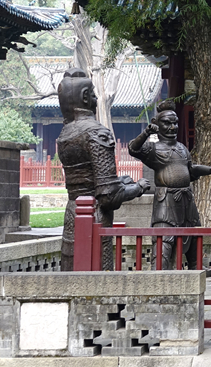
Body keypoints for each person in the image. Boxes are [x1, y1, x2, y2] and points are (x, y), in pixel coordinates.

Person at [56, 69, 150, 271]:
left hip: (72, 213)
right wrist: (138, 187)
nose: (96, 98)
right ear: (85, 97)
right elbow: (108, 196)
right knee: (98, 273)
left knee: (71, 272)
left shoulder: (65, 133)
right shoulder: (97, 133)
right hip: (95, 217)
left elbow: (86, 180)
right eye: (93, 94)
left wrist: (120, 181)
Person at [129, 100, 211, 269]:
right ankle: (159, 268)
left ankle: (196, 265)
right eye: (167, 123)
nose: (172, 127)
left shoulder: (182, 148)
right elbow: (133, 149)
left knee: (193, 231)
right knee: (164, 235)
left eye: (175, 123)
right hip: (166, 199)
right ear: (157, 123)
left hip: (186, 199)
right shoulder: (153, 149)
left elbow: (190, 170)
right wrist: (146, 132)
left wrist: (209, 170)